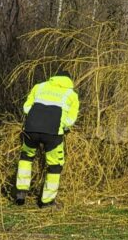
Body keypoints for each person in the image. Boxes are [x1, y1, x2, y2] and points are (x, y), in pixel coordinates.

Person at [14, 70, 79, 208]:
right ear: (69, 80)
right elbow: (70, 120)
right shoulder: (71, 95)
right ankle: (47, 202)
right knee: (55, 166)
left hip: (31, 129)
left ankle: (21, 191)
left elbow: (26, 108)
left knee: (26, 157)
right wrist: (64, 127)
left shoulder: (40, 86)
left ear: (54, 78)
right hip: (53, 132)